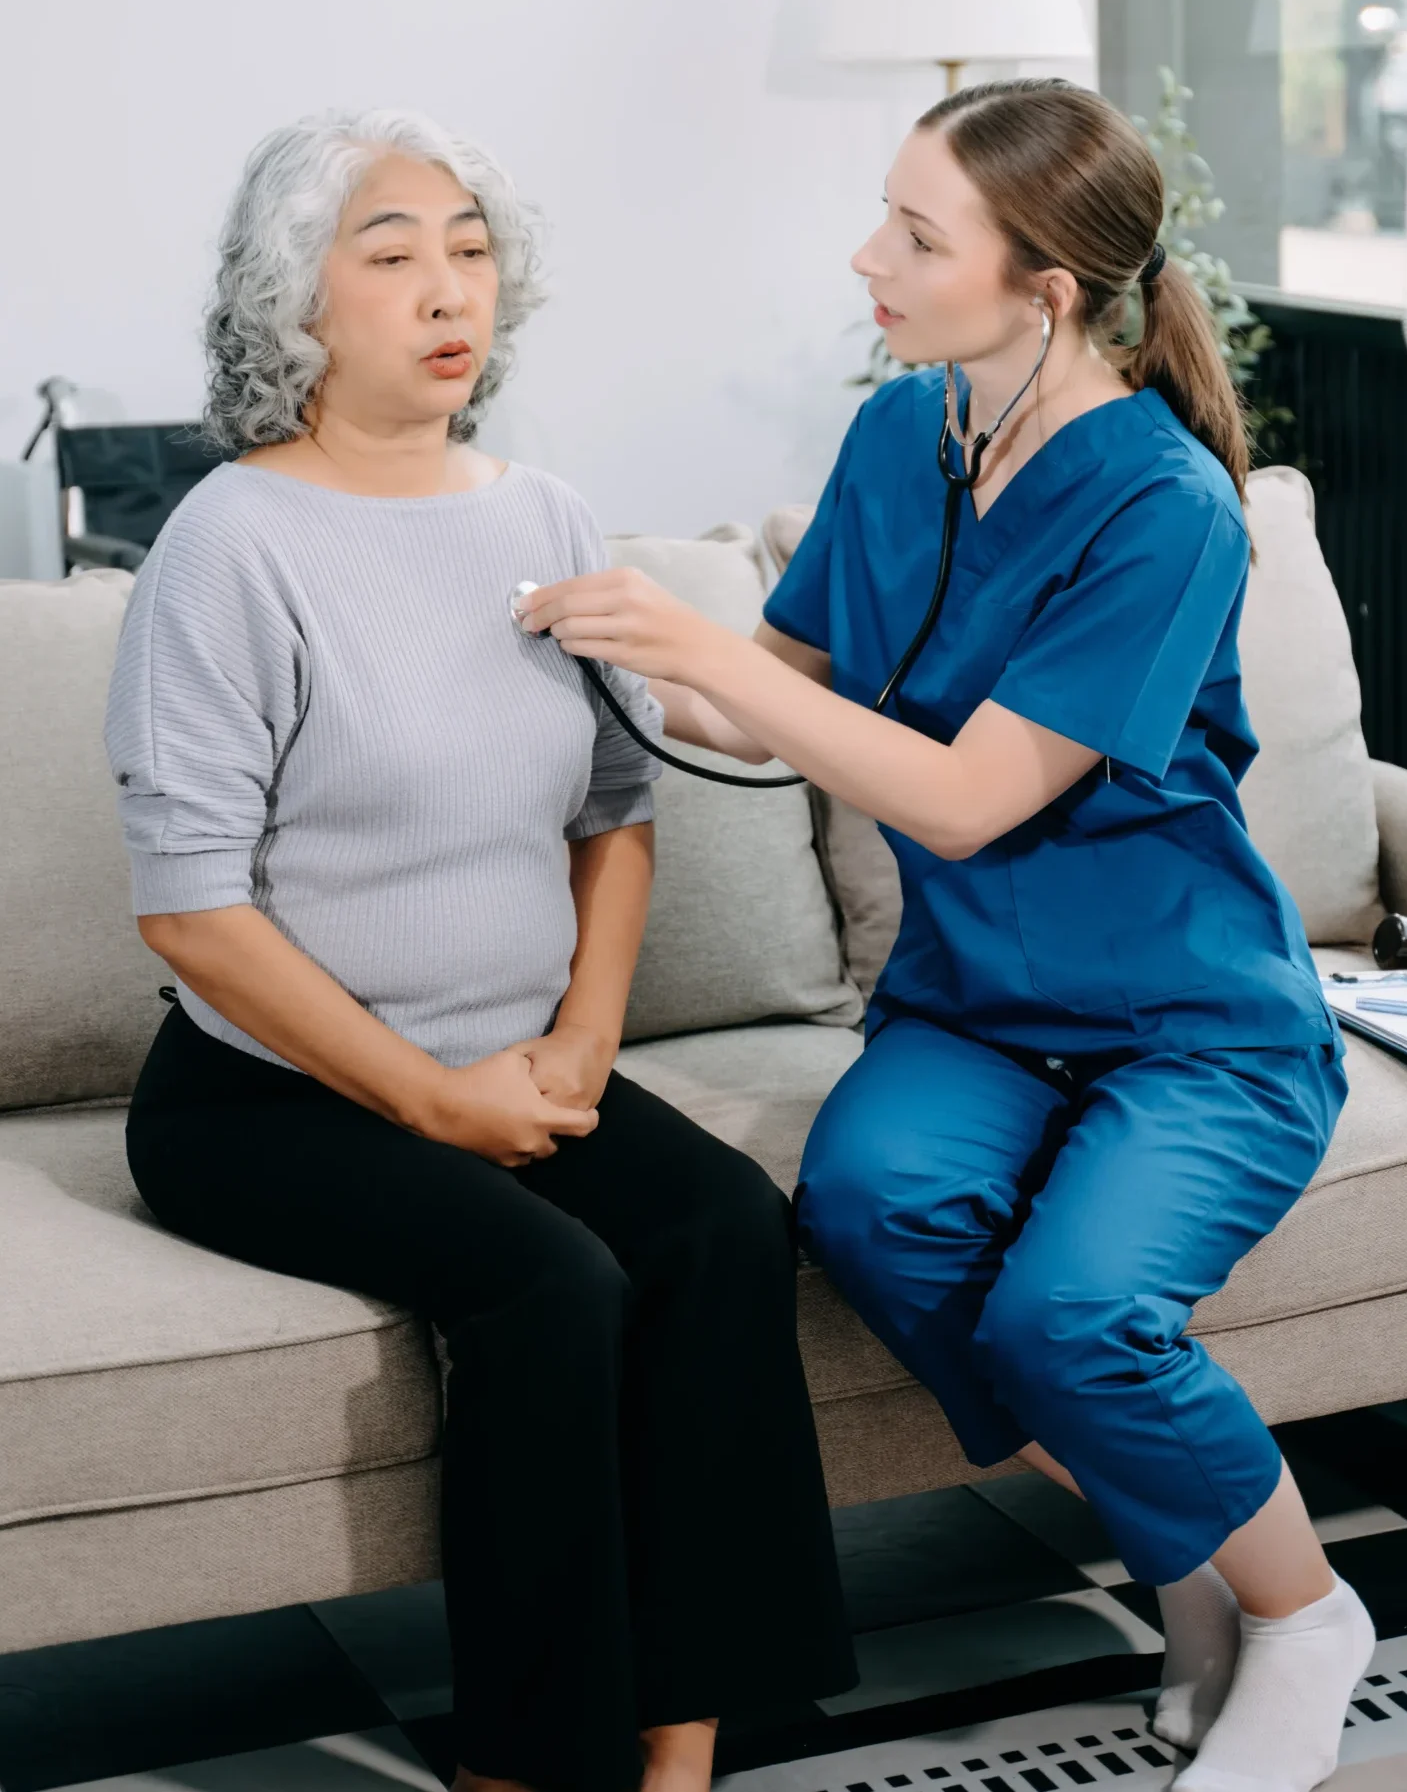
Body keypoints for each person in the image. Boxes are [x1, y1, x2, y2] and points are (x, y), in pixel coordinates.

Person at [519, 80, 1373, 1792]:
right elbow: (796, 702)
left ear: (1042, 285)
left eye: (915, 235)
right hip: (973, 1009)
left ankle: (1297, 1614)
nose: (869, 259)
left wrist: (713, 658)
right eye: (883, 217)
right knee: (867, 1206)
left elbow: (967, 800)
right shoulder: (897, 438)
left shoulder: (1164, 509)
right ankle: (1185, 1558)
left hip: (1187, 1023)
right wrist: (618, 647)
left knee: (1071, 1315)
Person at [104, 108, 855, 1792]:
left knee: (726, 1226)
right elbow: (190, 909)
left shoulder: (549, 514)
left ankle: (678, 1749)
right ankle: (518, 1766)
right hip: (267, 1098)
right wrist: (438, 1108)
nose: (448, 289)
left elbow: (613, 804)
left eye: (469, 249)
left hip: (521, 1046)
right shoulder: (229, 545)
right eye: (391, 255)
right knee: (551, 1280)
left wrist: (586, 1039)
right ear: (291, 306)